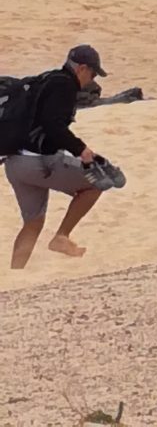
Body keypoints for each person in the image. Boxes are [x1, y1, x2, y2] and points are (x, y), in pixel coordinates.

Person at [3, 45, 112, 269]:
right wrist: (81, 150)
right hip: (38, 163)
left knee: (33, 222)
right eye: (92, 74)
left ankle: (15, 273)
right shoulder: (65, 85)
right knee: (97, 183)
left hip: (14, 163)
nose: (91, 80)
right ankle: (61, 236)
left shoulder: (45, 80)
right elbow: (53, 125)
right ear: (82, 68)